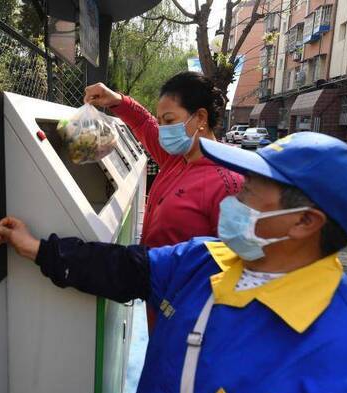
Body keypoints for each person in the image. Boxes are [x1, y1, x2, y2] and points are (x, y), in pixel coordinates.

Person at [0, 132, 347, 393]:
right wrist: (36, 248)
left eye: (248, 192)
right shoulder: (206, 259)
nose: (234, 198)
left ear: (304, 222)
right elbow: (123, 268)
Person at [85, 72, 243, 331]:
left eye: (169, 121)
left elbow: (239, 265)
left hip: (193, 316)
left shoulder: (229, 182)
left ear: (200, 118)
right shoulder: (177, 158)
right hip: (159, 298)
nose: (164, 130)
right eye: (162, 121)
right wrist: (115, 100)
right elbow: (145, 125)